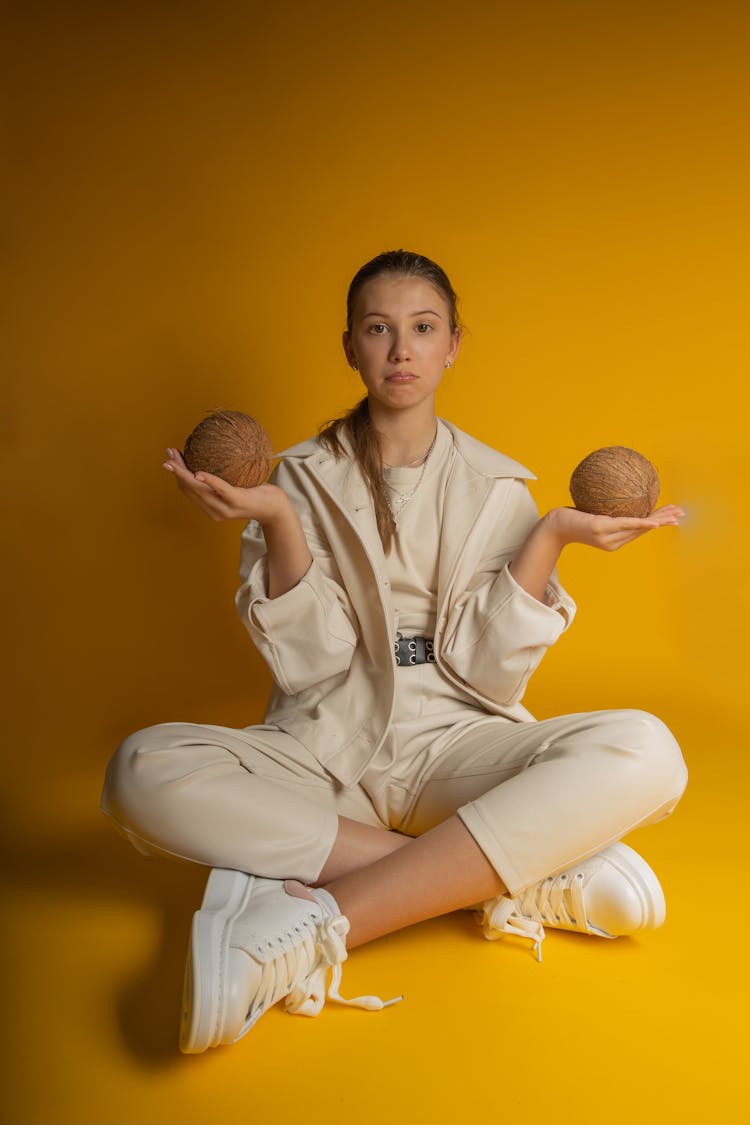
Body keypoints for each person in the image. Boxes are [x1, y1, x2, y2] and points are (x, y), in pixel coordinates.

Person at [102, 250, 688, 1054]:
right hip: (322, 748)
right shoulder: (296, 481)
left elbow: (487, 673)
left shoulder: (500, 489)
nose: (401, 350)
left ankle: (314, 925)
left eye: (422, 329)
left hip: (457, 744)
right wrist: (275, 516)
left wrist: (552, 534)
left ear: (453, 345)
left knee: (648, 747)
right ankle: (490, 876)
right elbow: (311, 665)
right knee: (140, 766)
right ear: (350, 346)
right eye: (379, 329)